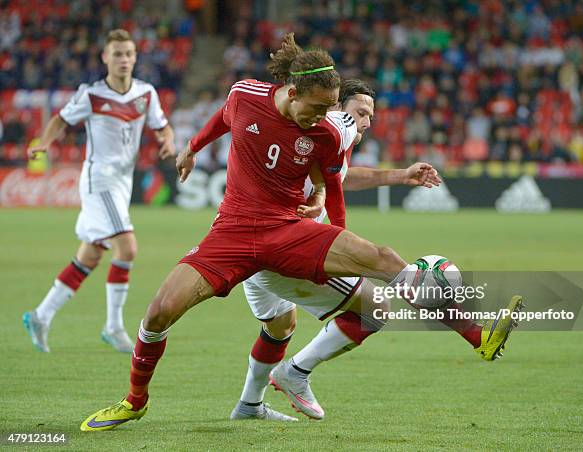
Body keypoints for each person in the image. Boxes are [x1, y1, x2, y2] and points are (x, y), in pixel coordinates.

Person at [80, 33, 521, 431]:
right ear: (292, 92)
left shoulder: (326, 133)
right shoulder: (246, 96)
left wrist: (340, 238)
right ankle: (135, 401)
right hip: (231, 232)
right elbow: (222, 117)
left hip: (286, 229)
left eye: (330, 109)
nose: (321, 117)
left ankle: (476, 337)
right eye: (315, 108)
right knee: (158, 312)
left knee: (382, 262)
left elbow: (335, 188)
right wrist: (193, 148)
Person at [231, 79, 523, 421]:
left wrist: (400, 176)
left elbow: (339, 178)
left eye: (371, 116)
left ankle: (249, 405)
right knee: (378, 303)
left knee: (279, 326)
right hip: (282, 248)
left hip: (249, 244)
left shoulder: (322, 138)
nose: (367, 122)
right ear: (335, 108)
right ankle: (477, 337)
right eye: (360, 112)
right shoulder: (312, 136)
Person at [22, 29, 176, 354]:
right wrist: (44, 144)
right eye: (117, 54)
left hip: (122, 182)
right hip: (99, 179)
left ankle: (41, 315)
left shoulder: (146, 93)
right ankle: (113, 326)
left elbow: (162, 126)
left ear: (135, 58)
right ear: (105, 58)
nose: (123, 59)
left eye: (128, 54)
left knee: (90, 255)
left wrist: (168, 142)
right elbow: (60, 120)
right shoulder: (91, 95)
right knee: (128, 247)